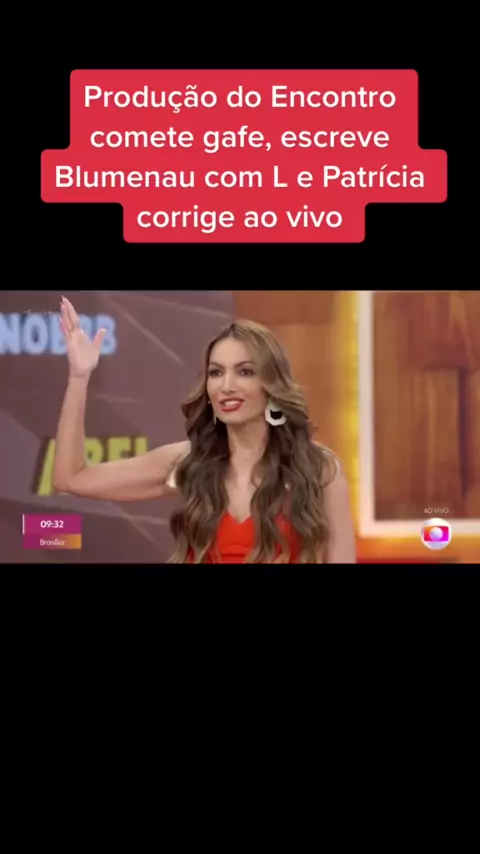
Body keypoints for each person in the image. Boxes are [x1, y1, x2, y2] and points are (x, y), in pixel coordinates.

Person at [53, 296, 356, 564]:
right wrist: (79, 377)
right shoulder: (188, 463)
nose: (227, 386)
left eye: (245, 372)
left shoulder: (318, 469)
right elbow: (71, 478)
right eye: (216, 372)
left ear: (271, 384)